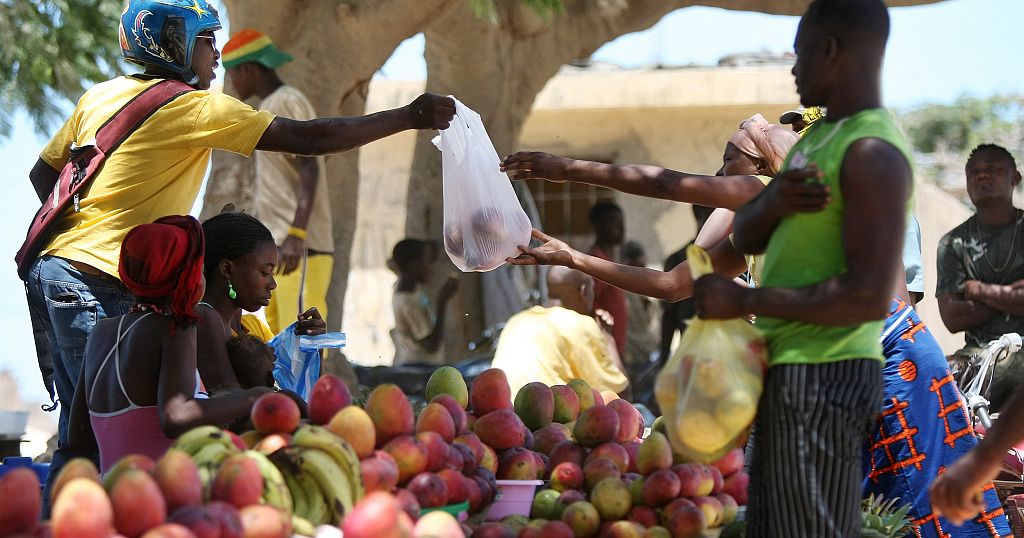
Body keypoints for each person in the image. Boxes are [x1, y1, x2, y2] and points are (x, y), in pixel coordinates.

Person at [24, 0, 453, 506]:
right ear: (175, 44)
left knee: (83, 431)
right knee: (98, 443)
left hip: (54, 270)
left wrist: (99, 219)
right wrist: (408, 117)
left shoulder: (100, 96)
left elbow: (42, 176)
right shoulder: (193, 106)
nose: (217, 56)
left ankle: (54, 517)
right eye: (207, 41)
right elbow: (308, 139)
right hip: (100, 275)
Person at [690, 0, 916, 534]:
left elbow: (865, 297)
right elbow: (746, 232)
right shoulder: (820, 148)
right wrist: (773, 200)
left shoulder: (870, 154)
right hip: (790, 375)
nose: (792, 71)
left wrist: (746, 300)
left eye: (799, 54)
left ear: (832, 50)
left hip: (827, 379)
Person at [502, 113, 799, 304]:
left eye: (728, 160)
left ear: (759, 165)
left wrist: (568, 168)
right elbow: (671, 285)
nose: (719, 173)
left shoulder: (764, 187)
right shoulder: (758, 231)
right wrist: (573, 258)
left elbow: (665, 184)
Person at [65, 216, 271, 472]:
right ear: (187, 275)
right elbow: (176, 416)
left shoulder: (101, 331)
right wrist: (257, 397)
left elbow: (79, 437)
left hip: (115, 495)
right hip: (164, 499)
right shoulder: (176, 327)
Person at [222, 29, 334, 335]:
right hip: (282, 249)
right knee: (278, 343)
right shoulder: (271, 105)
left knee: (302, 343)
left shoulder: (286, 101)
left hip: (299, 248)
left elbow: (310, 167)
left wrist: (297, 233)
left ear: (248, 68)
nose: (231, 83)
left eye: (232, 75)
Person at [196, 210, 327, 397]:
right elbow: (231, 402)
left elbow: (309, 395)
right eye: (265, 273)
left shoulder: (253, 328)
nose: (272, 284)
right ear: (227, 268)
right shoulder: (204, 322)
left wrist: (314, 348)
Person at [936, 144, 1024, 413]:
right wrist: (1010, 295)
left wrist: (976, 289)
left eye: (993, 169)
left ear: (1015, 178)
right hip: (978, 357)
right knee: (933, 381)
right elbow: (952, 318)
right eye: (973, 171)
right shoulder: (952, 243)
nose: (982, 176)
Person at [491, 266, 628, 398]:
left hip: (505, 412)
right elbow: (621, 395)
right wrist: (608, 338)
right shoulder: (581, 325)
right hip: (546, 417)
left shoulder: (516, 320)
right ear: (585, 291)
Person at [388, 239, 459, 366]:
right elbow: (432, 345)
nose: (432, 267)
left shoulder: (405, 287)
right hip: (421, 368)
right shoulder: (408, 304)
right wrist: (442, 302)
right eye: (428, 261)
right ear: (414, 267)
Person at [660, 205, 714, 364]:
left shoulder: (738, 255)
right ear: (698, 213)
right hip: (691, 352)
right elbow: (669, 314)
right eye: (713, 208)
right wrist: (663, 359)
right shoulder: (678, 260)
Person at [587, 202, 629, 356]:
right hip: (603, 350)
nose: (621, 228)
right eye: (614, 223)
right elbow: (587, 304)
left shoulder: (610, 260)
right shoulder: (595, 262)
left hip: (615, 347)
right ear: (597, 226)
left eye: (622, 223)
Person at [620, 241, 659, 380]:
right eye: (634, 268)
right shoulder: (619, 294)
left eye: (642, 268)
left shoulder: (651, 293)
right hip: (631, 362)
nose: (639, 274)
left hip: (652, 360)